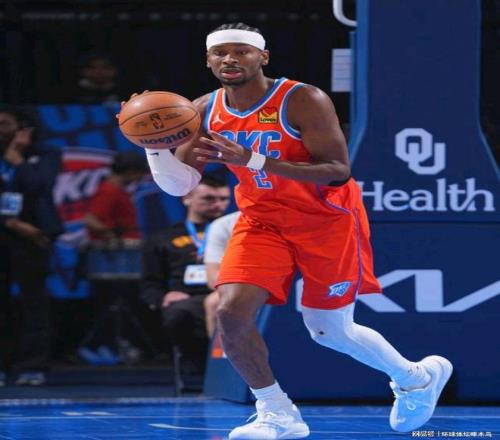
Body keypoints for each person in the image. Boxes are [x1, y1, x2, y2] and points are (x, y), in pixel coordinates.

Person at [125, 23, 453, 439]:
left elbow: (337, 171)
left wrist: (252, 159)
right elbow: (181, 185)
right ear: (208, 60)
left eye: (241, 51)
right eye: (220, 53)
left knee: (329, 331)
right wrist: (154, 147)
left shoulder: (302, 99)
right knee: (230, 313)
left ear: (263, 57)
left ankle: (415, 378)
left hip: (326, 220)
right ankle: (278, 413)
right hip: (261, 220)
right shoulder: (202, 109)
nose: (230, 59)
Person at [140, 175, 230, 373]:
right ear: (187, 198)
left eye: (224, 199)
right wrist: (163, 297)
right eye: (209, 198)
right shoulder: (162, 238)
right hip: (188, 299)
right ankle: (197, 370)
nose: (218, 205)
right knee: (178, 314)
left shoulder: (236, 231)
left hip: (225, 294)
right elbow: (149, 283)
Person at [0, 106, 63, 386]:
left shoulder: (47, 153)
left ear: (22, 126)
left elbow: (39, 186)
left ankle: (33, 366)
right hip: (8, 230)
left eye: (4, 123)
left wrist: (17, 159)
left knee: (34, 302)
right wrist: (10, 222)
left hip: (34, 235)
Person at [84, 150, 148, 242]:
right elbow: (91, 220)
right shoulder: (109, 191)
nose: (141, 176)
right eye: (140, 172)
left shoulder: (118, 190)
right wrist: (115, 240)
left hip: (128, 245)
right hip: (119, 248)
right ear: (130, 172)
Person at [203, 210, 240, 337]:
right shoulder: (223, 225)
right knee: (214, 302)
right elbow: (214, 279)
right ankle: (221, 350)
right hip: (252, 283)